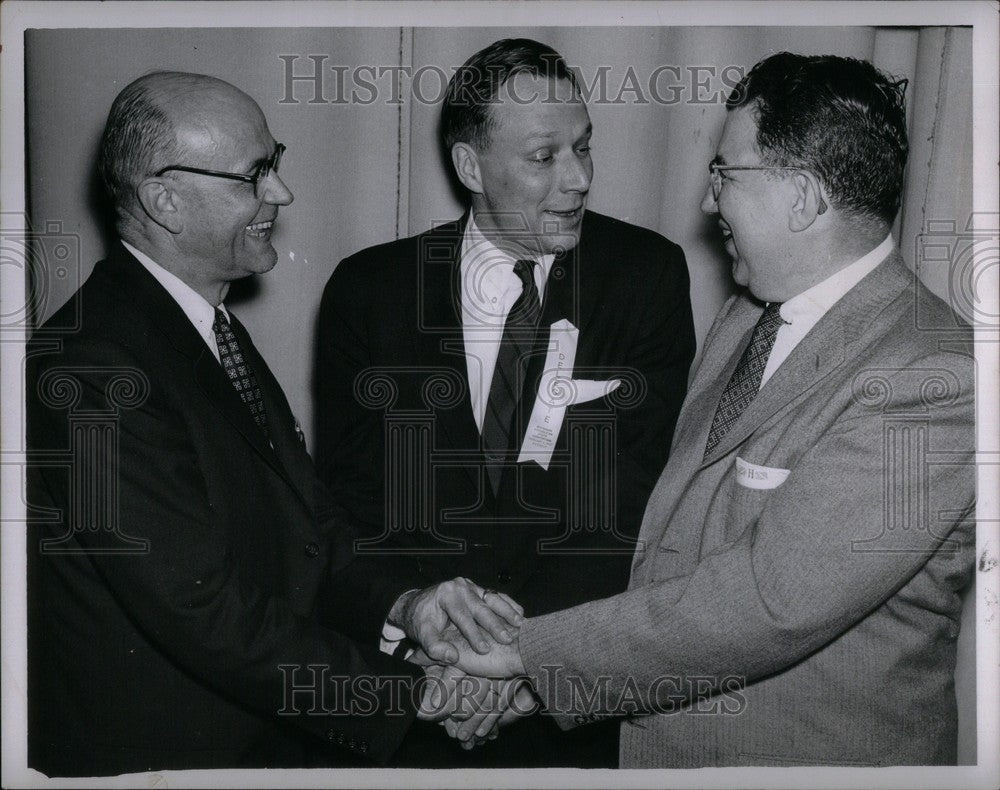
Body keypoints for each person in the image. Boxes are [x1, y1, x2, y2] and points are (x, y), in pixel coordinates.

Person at [442, 52, 977, 767]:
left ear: (803, 196)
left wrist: (528, 656)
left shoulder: (932, 376)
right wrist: (544, 686)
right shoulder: (748, 314)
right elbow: (673, 540)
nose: (707, 201)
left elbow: (767, 602)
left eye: (725, 173)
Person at [25, 71, 522, 777]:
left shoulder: (207, 328)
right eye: (254, 175)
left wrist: (409, 607)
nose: (280, 194)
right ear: (164, 200)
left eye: (275, 163)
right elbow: (203, 612)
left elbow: (308, 527)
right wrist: (419, 694)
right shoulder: (92, 368)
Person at [314, 38, 696, 767]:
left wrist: (522, 660)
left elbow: (632, 498)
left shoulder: (644, 276)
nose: (579, 179)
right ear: (470, 166)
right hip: (416, 693)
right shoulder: (369, 291)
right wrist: (417, 624)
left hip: (564, 702)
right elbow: (345, 501)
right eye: (544, 157)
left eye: (584, 149)